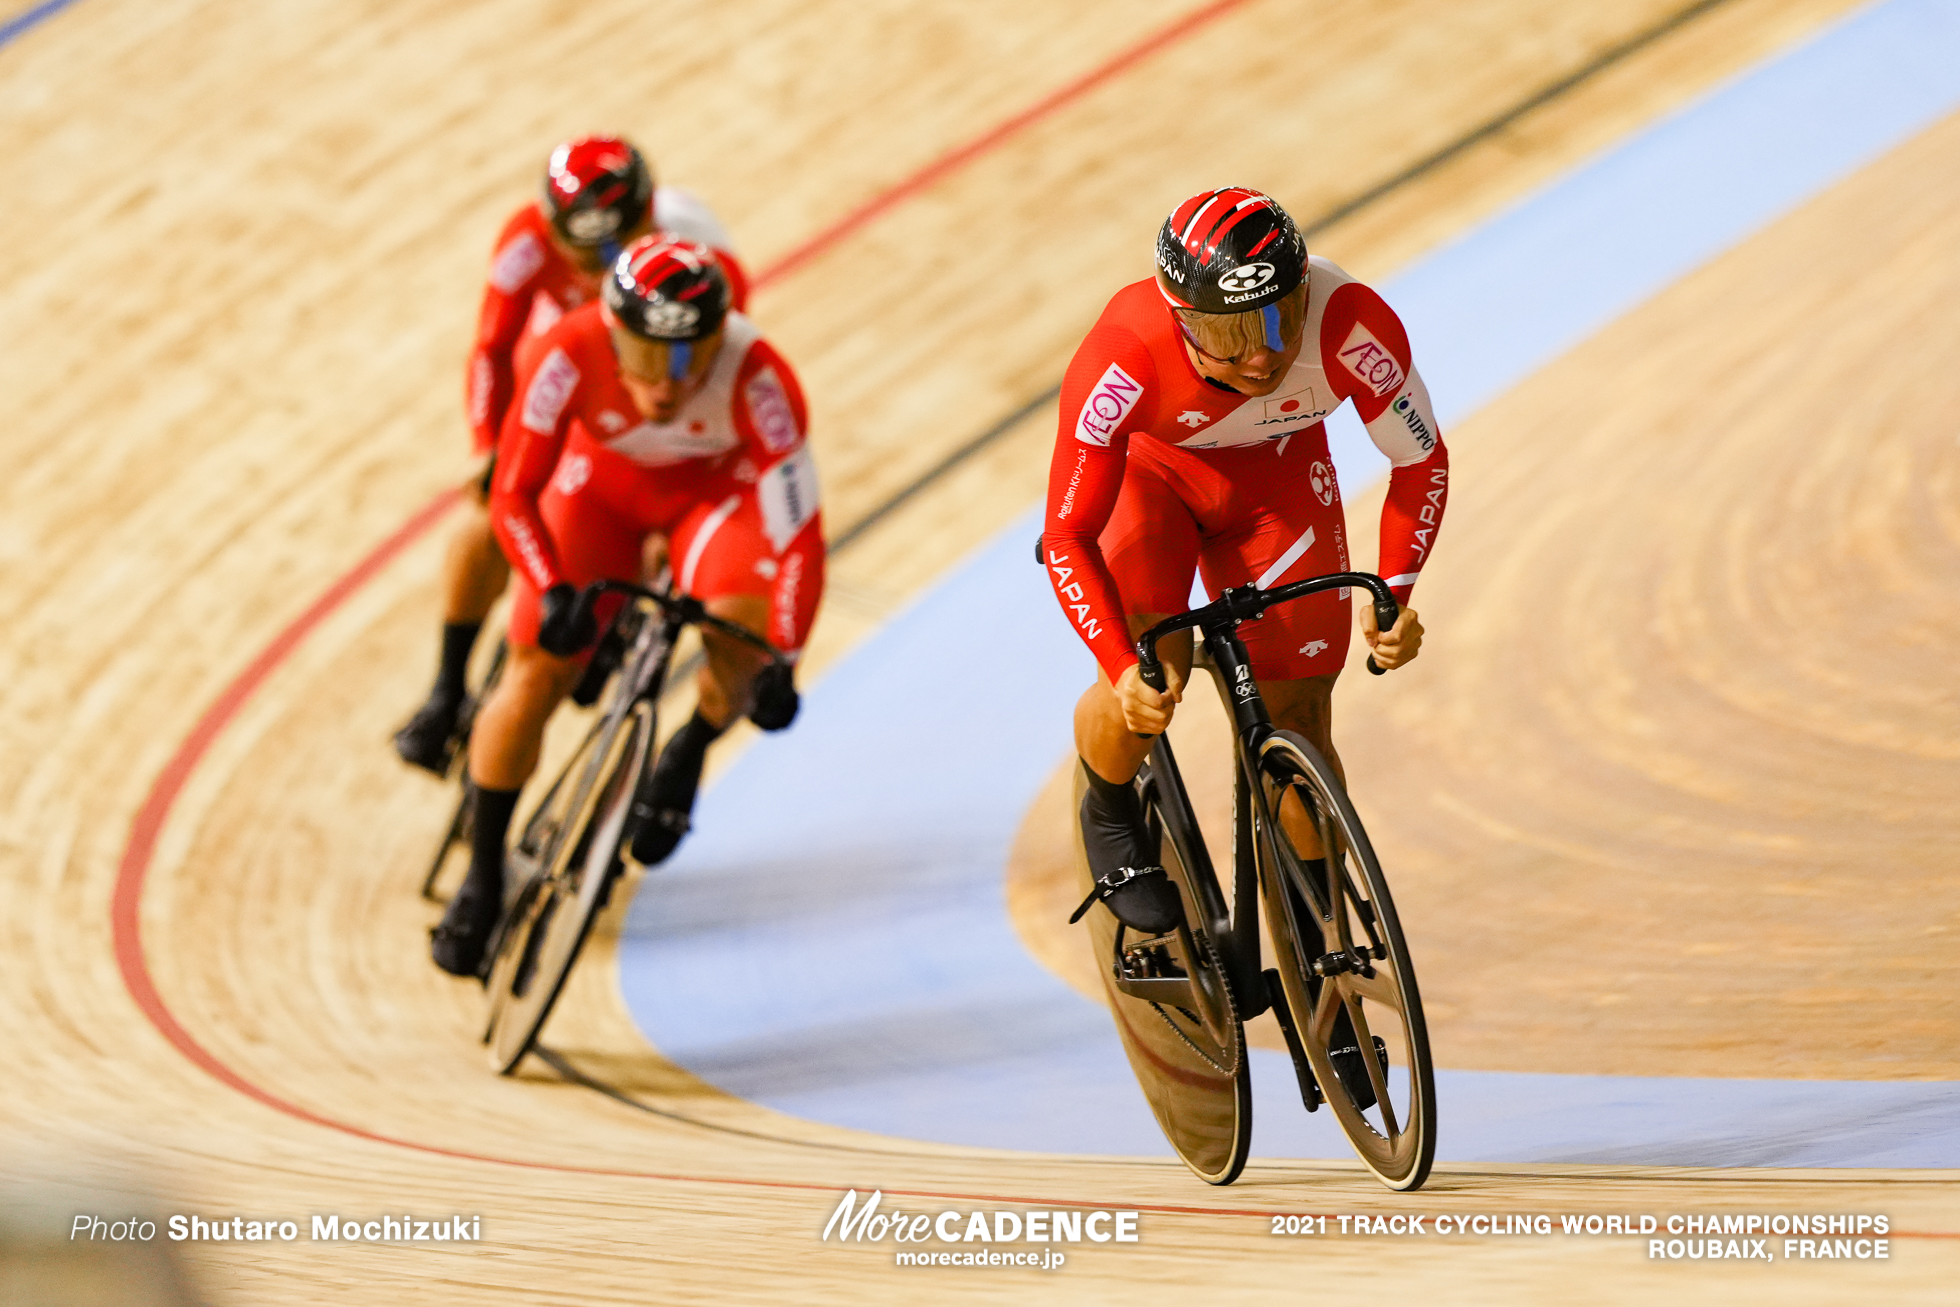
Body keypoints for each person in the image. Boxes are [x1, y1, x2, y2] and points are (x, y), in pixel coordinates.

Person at [1042, 187, 1449, 935]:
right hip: (1151, 478)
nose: (1261, 353)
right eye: (1230, 335)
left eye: (1280, 318)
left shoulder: (1352, 323)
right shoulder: (1125, 357)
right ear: (1179, 319)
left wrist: (1396, 591)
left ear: (1303, 293)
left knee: (1297, 718)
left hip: (1277, 477)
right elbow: (1066, 537)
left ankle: (1320, 941)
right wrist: (1122, 665)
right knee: (1155, 660)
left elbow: (1419, 458)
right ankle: (1108, 804)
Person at [429, 234, 823, 976]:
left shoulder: (760, 375)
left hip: (714, 495)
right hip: (599, 489)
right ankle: (480, 876)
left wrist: (785, 660)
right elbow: (511, 494)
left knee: (741, 635)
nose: (668, 384)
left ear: (719, 334)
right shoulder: (566, 351)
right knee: (535, 673)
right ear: (612, 334)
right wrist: (548, 587)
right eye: (646, 358)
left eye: (688, 357)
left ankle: (689, 749)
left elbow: (800, 532)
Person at [393, 135, 753, 774]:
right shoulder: (525, 240)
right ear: (553, 230)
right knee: (491, 508)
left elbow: (710, 382)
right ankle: (445, 691)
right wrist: (487, 448)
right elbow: (492, 348)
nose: (604, 263)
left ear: (650, 216)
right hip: (560, 372)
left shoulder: (704, 263)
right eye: (586, 251)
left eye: (618, 242)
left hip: (643, 402)